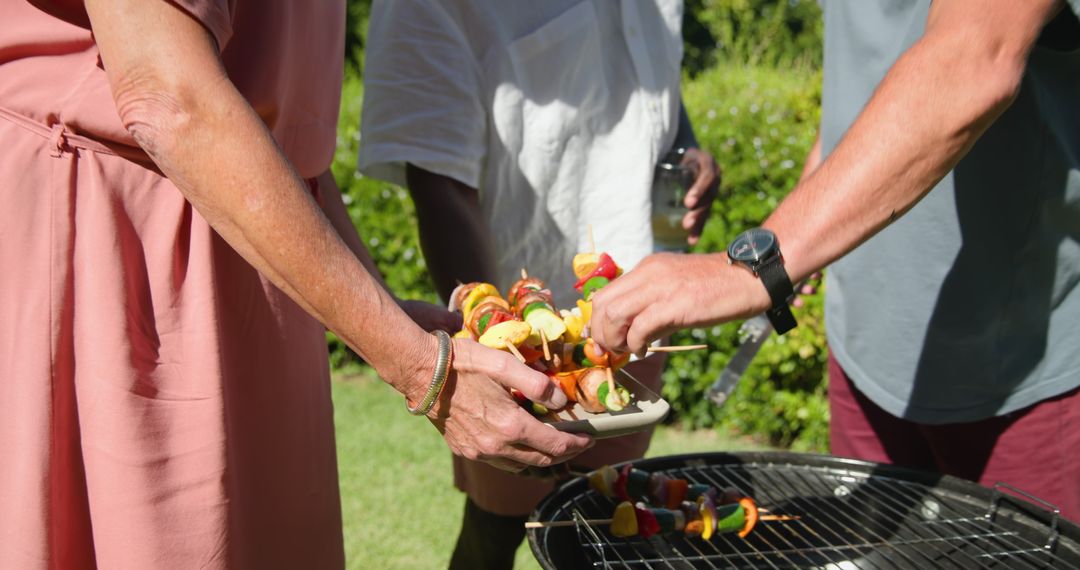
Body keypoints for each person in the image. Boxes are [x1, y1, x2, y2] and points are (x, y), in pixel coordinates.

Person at [0, 0, 593, 567]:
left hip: (256, 272)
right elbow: (170, 99)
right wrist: (422, 369)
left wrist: (386, 315)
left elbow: (290, 145)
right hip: (122, 255)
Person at [590, 0, 1080, 521]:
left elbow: (974, 57)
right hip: (863, 346)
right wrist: (812, 218)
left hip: (1021, 365)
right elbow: (869, 67)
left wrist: (762, 265)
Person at [357, 0, 719, 566]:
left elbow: (653, 82)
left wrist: (687, 150)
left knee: (607, 520)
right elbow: (438, 185)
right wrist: (496, 334)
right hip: (518, 343)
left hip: (641, 305)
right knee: (499, 524)